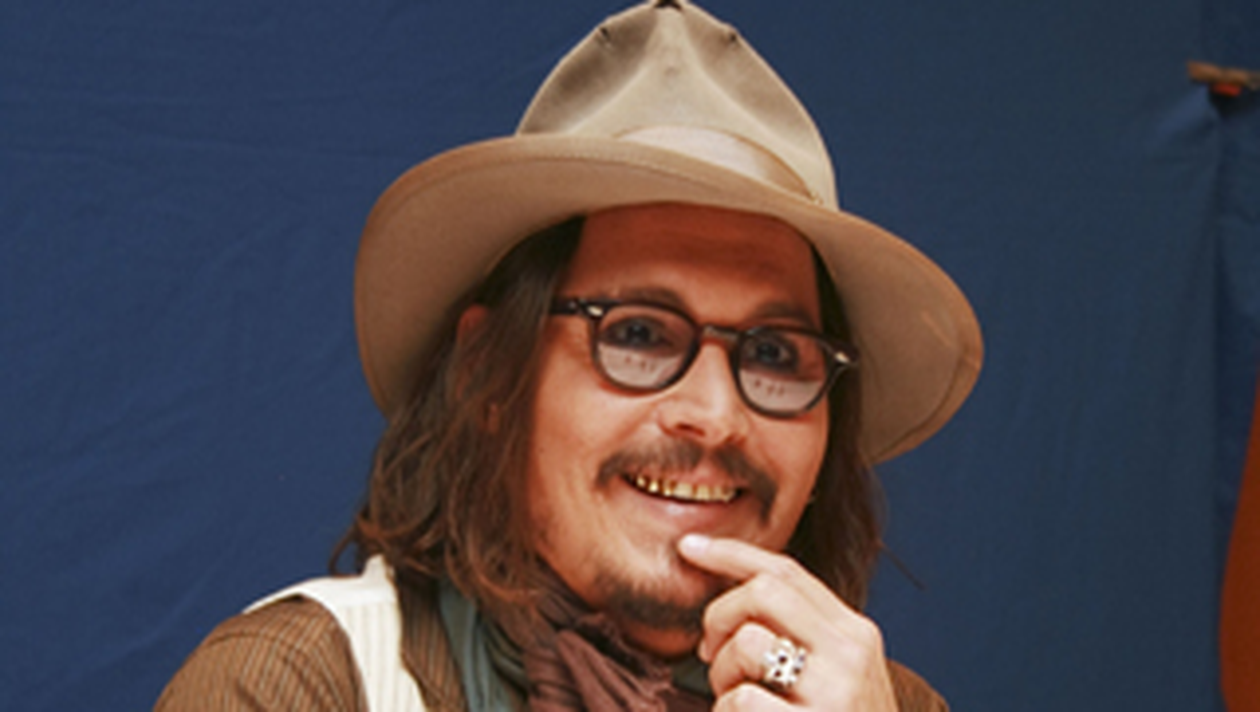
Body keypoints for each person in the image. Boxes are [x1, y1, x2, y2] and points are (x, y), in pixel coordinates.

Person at [156, 1, 982, 710]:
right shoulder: (296, 686)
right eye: (638, 334)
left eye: (773, 352)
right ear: (487, 375)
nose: (715, 415)